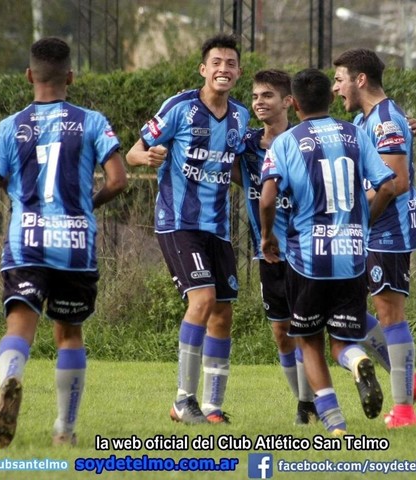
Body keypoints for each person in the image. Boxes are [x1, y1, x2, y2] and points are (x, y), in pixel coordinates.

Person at [0, 37, 127, 447]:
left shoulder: (9, 127)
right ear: (71, 77)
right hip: (75, 244)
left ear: (29, 76)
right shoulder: (93, 122)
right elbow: (118, 181)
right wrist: (88, 205)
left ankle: (11, 376)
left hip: (26, 242)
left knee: (19, 323)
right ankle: (64, 429)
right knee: (69, 333)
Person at [260, 68, 397, 435]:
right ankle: (357, 361)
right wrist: (363, 222)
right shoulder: (354, 134)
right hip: (352, 256)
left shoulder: (286, 142)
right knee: (343, 342)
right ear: (330, 96)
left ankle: (335, 423)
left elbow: (268, 197)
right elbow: (387, 185)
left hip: (307, 259)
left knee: (308, 342)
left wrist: (267, 236)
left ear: (295, 103)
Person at [126, 33, 250, 424]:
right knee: (202, 300)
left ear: (238, 72)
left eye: (230, 64)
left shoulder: (240, 117)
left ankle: (212, 406)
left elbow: (237, 165)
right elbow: (133, 152)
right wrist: (147, 157)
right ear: (203, 69)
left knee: (223, 313)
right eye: (216, 63)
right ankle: (183, 400)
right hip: (178, 222)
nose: (223, 70)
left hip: (219, 227)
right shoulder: (180, 107)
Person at [333, 48, 416, 428]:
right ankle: (412, 380)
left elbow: (395, 184)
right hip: (371, 230)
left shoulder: (386, 119)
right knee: (347, 312)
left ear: (360, 80)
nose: (336, 87)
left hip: (389, 231)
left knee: (390, 314)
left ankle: (405, 410)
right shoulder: (365, 118)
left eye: (340, 79)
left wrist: (358, 221)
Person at [234, 69, 317, 425]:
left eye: (267, 96)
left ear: (288, 102)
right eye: (254, 97)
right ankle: (304, 401)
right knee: (282, 334)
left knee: (307, 330)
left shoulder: (305, 141)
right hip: (265, 252)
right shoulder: (247, 144)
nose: (258, 103)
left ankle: (306, 406)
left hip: (304, 252)